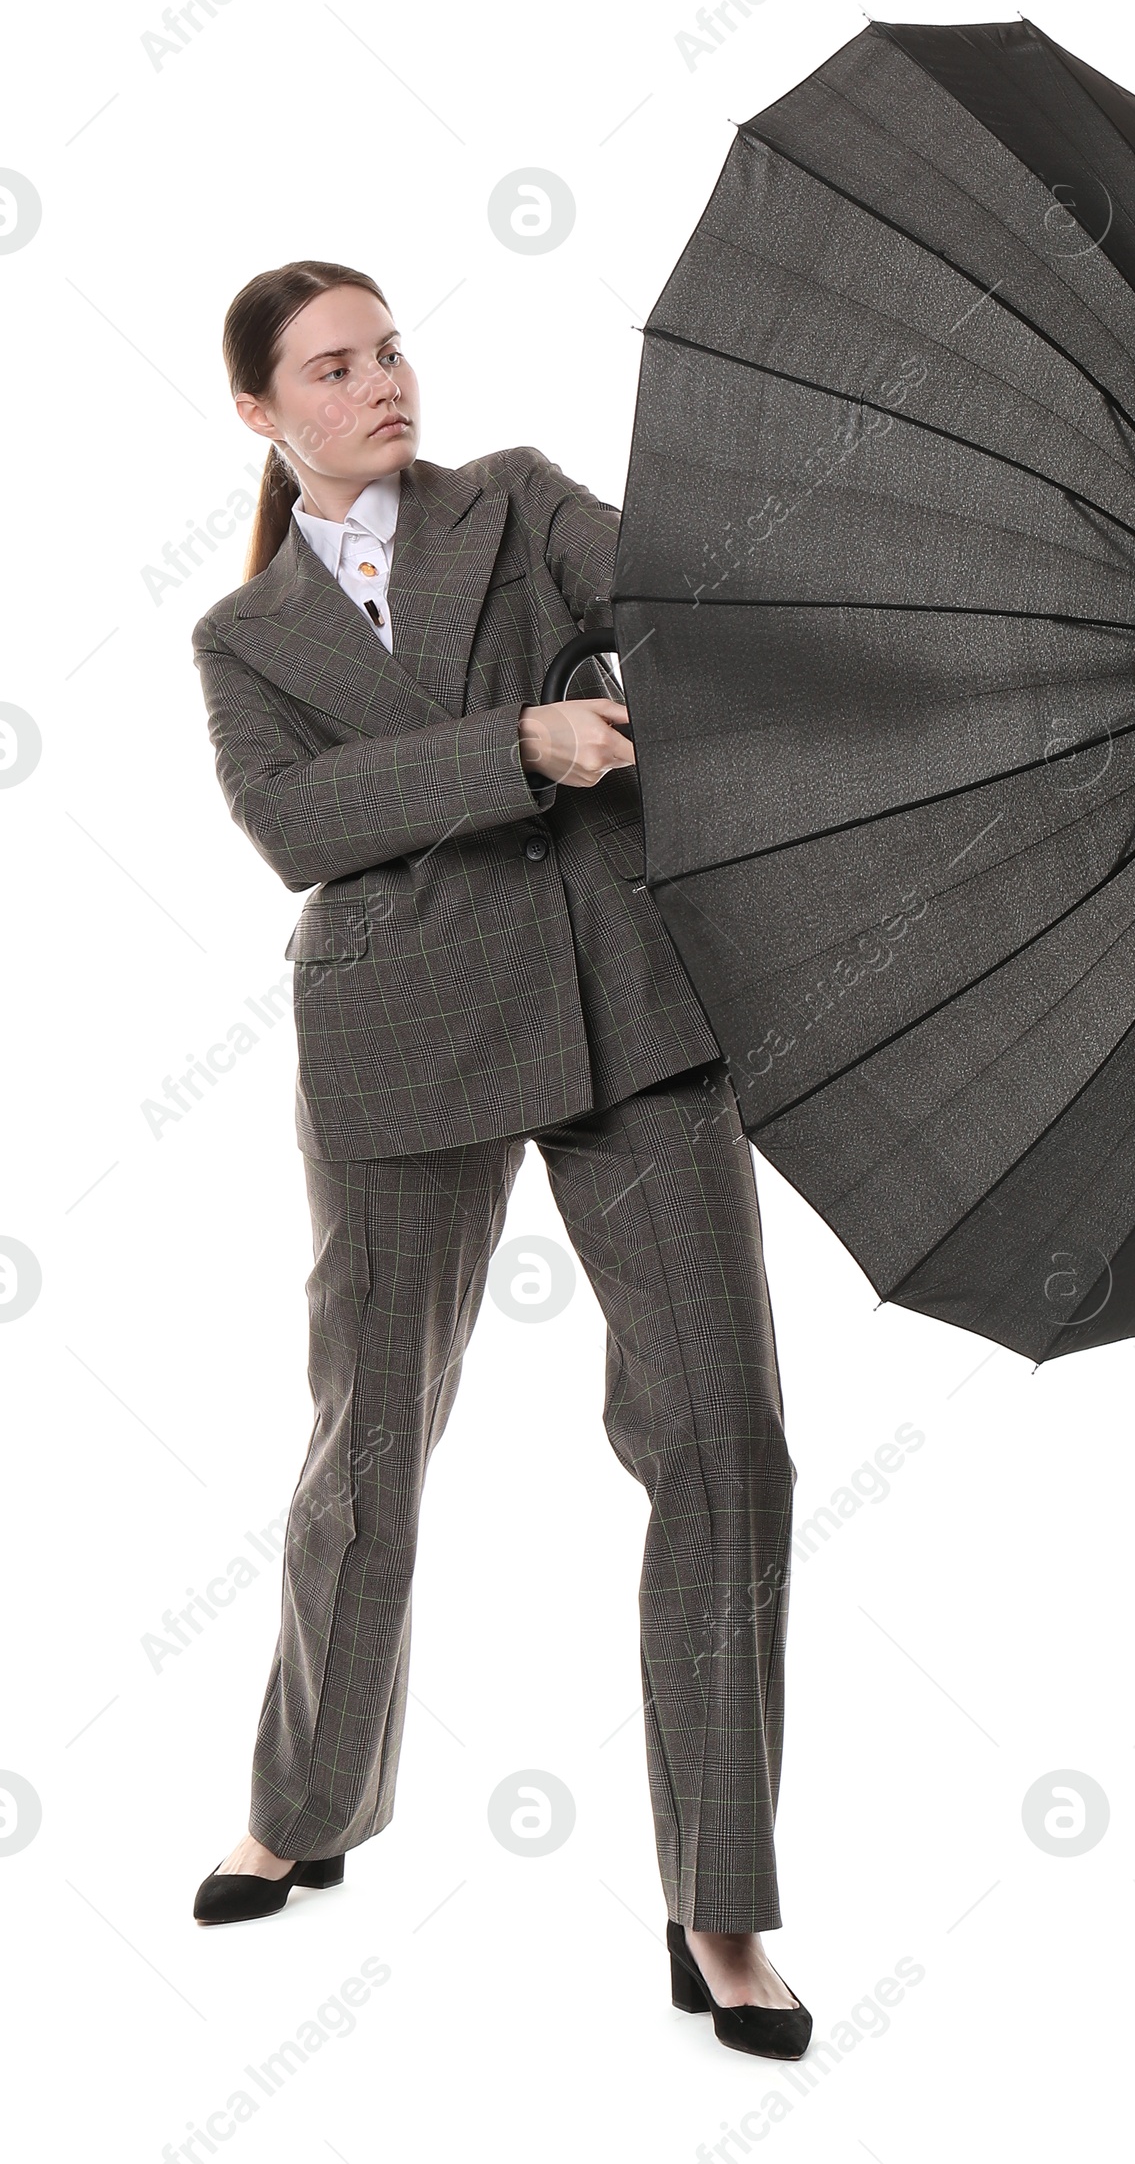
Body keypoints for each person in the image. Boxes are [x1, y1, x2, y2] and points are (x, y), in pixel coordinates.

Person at [185, 258, 810, 2061]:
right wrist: (519, 744)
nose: (381, 382)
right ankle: (302, 1806)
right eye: (333, 364)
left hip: (630, 1008)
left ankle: (720, 1903)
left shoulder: (522, 502)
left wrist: (686, 625)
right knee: (366, 1446)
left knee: (724, 1439)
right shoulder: (241, 643)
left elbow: (684, 601)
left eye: (389, 348)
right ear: (260, 412)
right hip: (399, 1045)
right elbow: (299, 826)